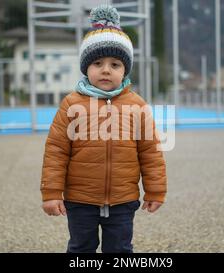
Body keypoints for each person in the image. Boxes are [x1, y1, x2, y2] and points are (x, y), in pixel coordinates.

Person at [40, 5, 167, 253]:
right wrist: (51, 192)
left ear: (125, 70)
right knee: (80, 248)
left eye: (115, 64)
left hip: (123, 200)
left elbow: (150, 152)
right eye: (97, 62)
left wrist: (155, 190)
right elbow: (56, 151)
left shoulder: (137, 105)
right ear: (86, 67)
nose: (106, 69)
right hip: (80, 200)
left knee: (119, 250)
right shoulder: (72, 104)